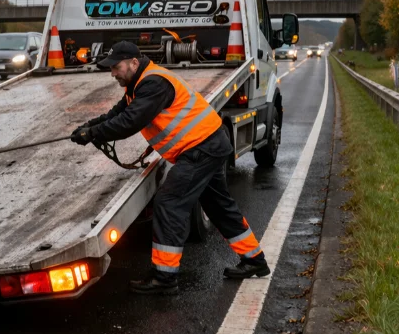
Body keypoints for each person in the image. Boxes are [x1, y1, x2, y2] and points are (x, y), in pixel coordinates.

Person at [71, 41, 269, 295]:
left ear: (133, 63)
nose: (113, 74)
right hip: (208, 145)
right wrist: (88, 128)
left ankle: (165, 277)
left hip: (201, 148)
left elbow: (131, 121)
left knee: (169, 202)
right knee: (218, 205)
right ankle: (255, 260)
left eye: (116, 68)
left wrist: (94, 133)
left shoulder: (153, 84)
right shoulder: (138, 85)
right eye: (111, 69)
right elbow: (117, 114)